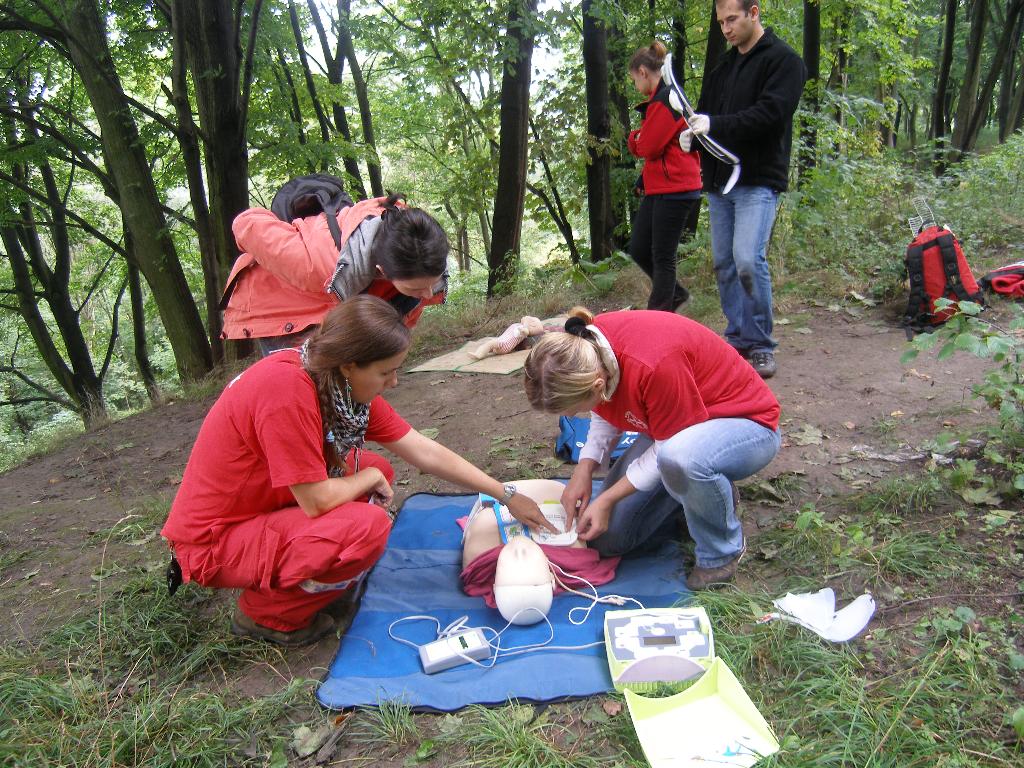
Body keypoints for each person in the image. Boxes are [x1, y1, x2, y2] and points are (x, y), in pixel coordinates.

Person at [161, 295, 555, 647]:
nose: (393, 381)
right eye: (386, 372)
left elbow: (421, 449)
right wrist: (366, 480)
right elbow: (315, 501)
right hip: (214, 540)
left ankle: (306, 572)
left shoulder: (334, 380)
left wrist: (505, 494)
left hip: (263, 499)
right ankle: (268, 615)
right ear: (350, 364)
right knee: (366, 526)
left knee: (376, 465)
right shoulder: (284, 391)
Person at [523, 307, 781, 590]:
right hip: (676, 426)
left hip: (745, 425)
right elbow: (604, 412)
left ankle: (721, 552)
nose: (577, 416)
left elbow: (666, 449)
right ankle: (704, 496)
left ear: (597, 385)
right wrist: (583, 470)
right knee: (610, 539)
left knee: (681, 460)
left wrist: (607, 499)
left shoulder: (654, 364)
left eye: (576, 410)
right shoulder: (582, 350)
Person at [684, 0, 806, 378]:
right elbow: (704, 112)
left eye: (732, 19)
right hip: (719, 181)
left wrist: (714, 124)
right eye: (721, 22)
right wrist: (690, 132)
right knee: (724, 262)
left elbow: (770, 115)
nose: (726, 29)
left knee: (748, 260)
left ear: (754, 12)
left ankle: (761, 344)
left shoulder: (784, 60)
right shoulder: (724, 65)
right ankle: (738, 337)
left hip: (757, 179)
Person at [221, 185, 449, 354]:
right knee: (300, 389)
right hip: (281, 307)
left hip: (339, 303)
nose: (429, 293)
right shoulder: (312, 263)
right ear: (383, 271)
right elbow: (246, 222)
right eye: (418, 287)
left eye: (432, 283)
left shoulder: (419, 244)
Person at [626, 41, 703, 313]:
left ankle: (658, 316)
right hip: (661, 188)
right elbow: (652, 147)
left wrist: (634, 137)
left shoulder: (666, 100)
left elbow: (647, 146)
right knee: (639, 248)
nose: (636, 86)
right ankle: (675, 295)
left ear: (644, 72)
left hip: (678, 188)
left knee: (662, 255)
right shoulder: (658, 101)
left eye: (635, 79)